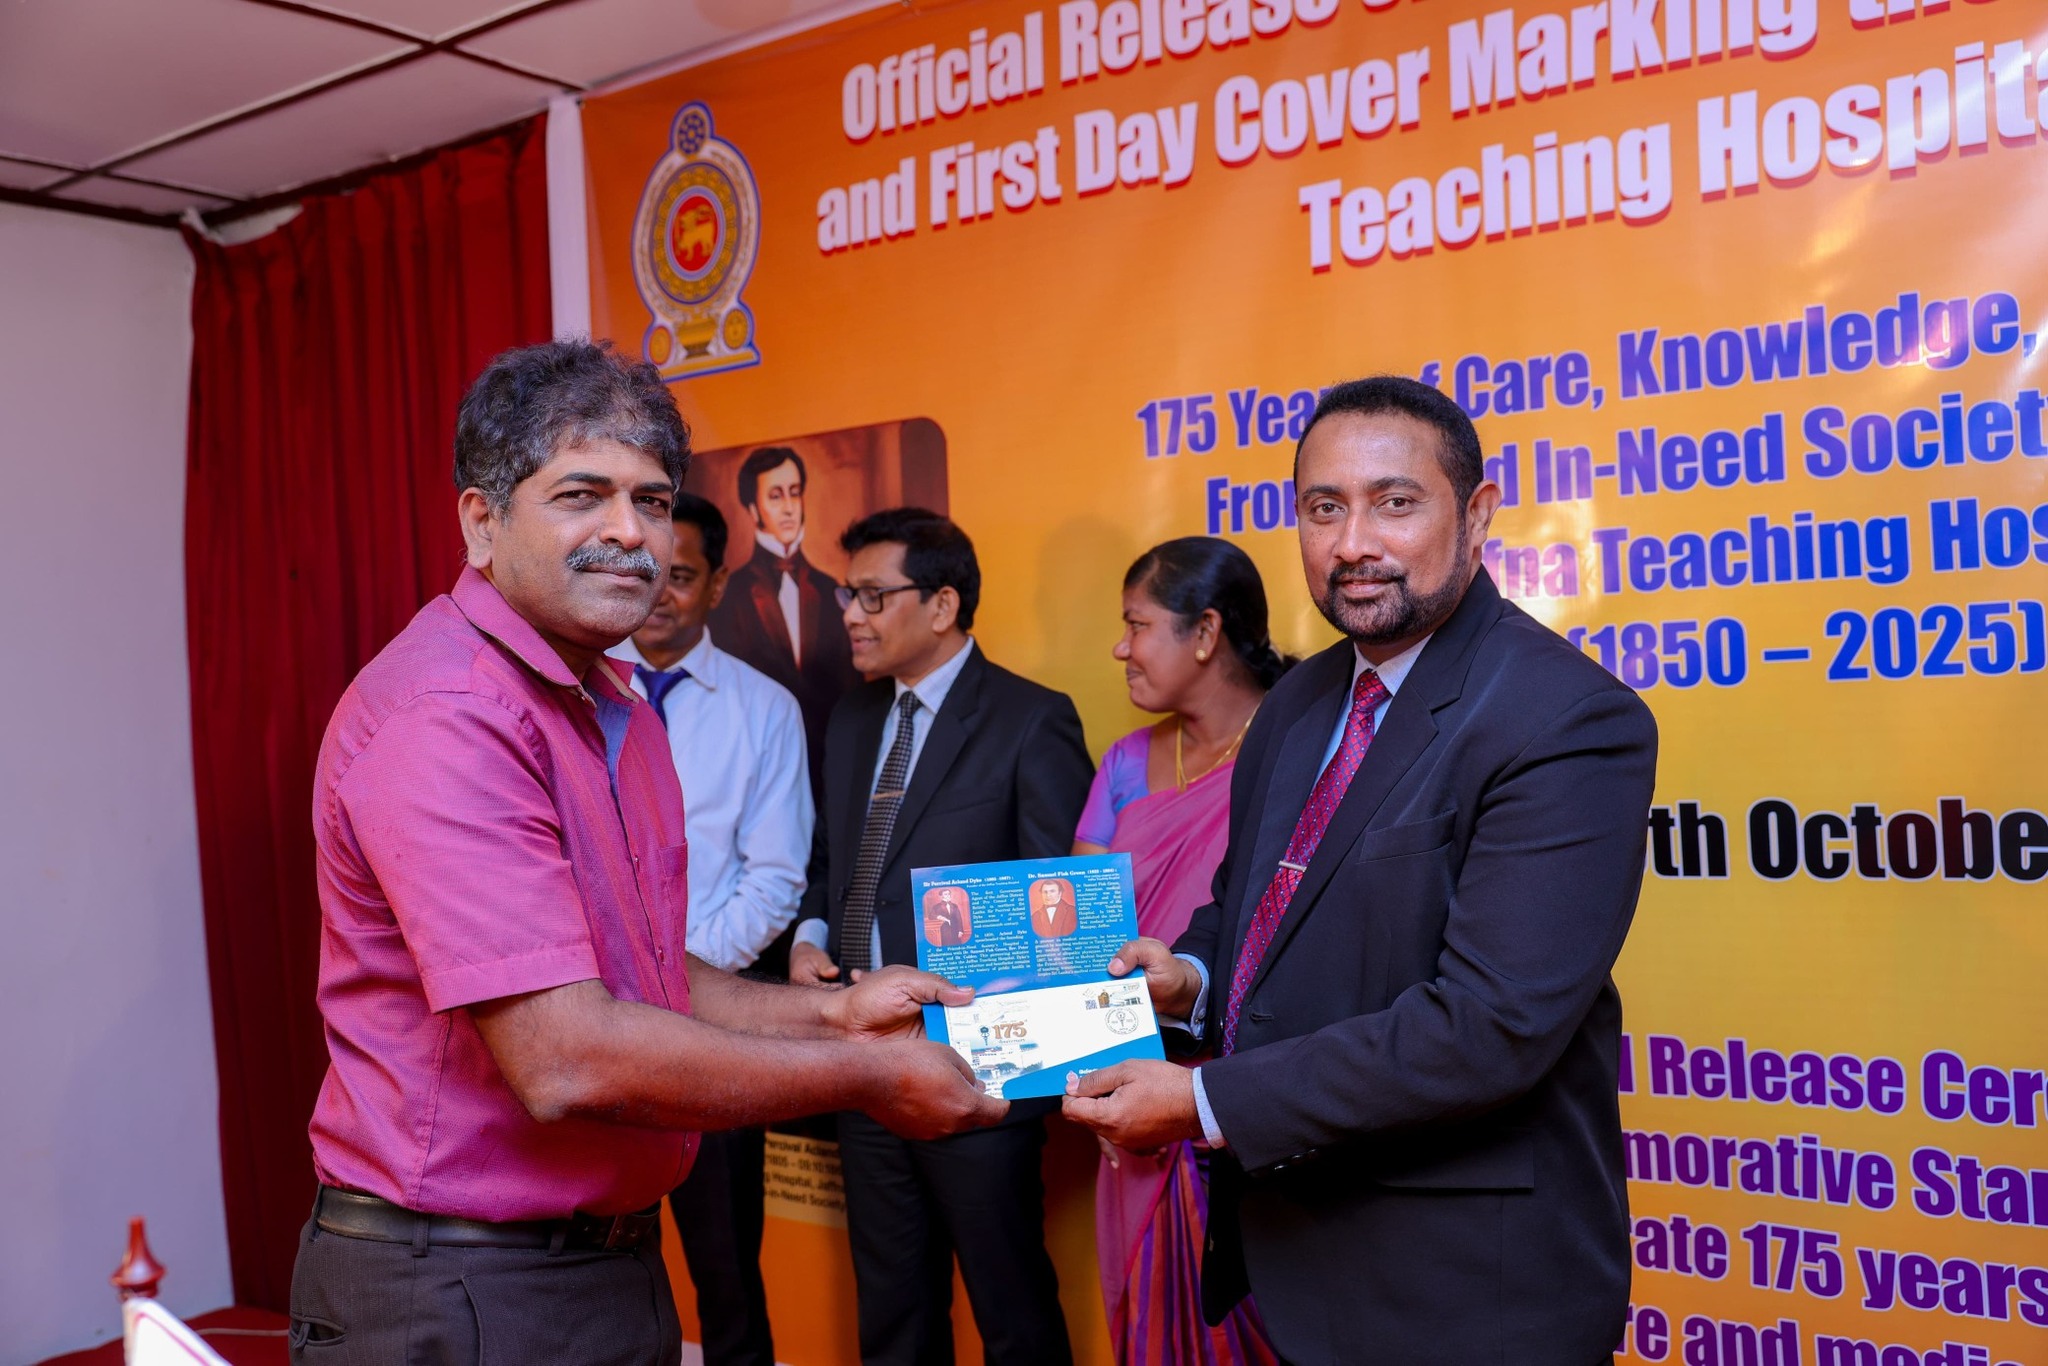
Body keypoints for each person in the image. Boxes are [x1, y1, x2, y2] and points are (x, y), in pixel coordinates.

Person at [290, 342, 1004, 1366]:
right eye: (582, 495)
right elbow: (566, 1054)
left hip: (600, 1264)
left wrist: (834, 1012)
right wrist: (866, 1073)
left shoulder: (605, 702)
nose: (631, 533)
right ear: (481, 522)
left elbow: (645, 975)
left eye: (653, 501)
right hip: (458, 1283)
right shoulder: (447, 714)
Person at [1064, 376, 1659, 1366]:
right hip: (1292, 1254)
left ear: (1476, 514)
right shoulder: (1297, 704)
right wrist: (1191, 976)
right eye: (1322, 508)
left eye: (1394, 502)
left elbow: (1488, 1027)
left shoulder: (1563, 719)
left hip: (1463, 1290)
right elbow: (1247, 905)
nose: (1351, 543)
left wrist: (1205, 1103)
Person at [787, 507, 1094, 1366]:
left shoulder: (1031, 719)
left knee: (1011, 1308)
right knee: (892, 1307)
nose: (852, 616)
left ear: (943, 604)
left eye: (872, 596)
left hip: (978, 1069)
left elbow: (1057, 907)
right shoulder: (853, 719)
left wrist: (1010, 1068)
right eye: (847, 596)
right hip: (863, 1056)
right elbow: (831, 861)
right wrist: (811, 935)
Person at [1069, 537, 1286, 1366]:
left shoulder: (1302, 752)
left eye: (1136, 625)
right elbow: (1083, 943)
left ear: (1206, 634)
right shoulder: (1127, 763)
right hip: (1134, 1095)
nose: (1120, 648)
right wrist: (1096, 1081)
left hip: (1261, 1101)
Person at [609, 490, 810, 1366]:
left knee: (727, 1275)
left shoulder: (765, 710)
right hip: (591, 1026)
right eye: (644, 572)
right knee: (604, 1274)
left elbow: (774, 879)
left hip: (714, 1031)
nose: (657, 594)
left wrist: (675, 983)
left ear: (720, 584)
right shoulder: (575, 691)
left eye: (681, 576)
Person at [709, 446, 860, 791]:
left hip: (834, 775)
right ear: (753, 508)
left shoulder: (832, 591)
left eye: (795, 492)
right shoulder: (726, 598)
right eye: (776, 496)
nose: (790, 507)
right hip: (754, 778)